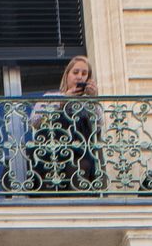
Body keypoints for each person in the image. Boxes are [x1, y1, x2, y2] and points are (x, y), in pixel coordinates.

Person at [23, 54, 102, 193]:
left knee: (80, 171)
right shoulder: (51, 97)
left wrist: (93, 100)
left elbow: (99, 125)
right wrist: (62, 100)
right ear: (67, 75)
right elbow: (34, 121)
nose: (79, 77)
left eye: (84, 74)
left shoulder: (88, 103)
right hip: (49, 154)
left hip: (79, 154)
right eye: (75, 72)